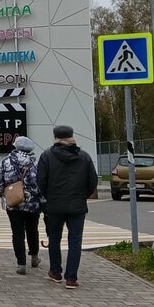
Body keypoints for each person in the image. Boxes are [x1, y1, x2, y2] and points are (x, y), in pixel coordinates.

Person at [37, 124, 99, 289]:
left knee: (54, 238)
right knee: (75, 241)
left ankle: (55, 272)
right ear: (72, 137)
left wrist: (49, 198)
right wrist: (82, 196)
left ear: (55, 137)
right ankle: (71, 278)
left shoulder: (47, 156)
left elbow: (40, 181)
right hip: (77, 206)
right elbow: (93, 181)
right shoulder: (84, 157)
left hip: (54, 206)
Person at [0, 136, 42, 275]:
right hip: (33, 204)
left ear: (15, 146)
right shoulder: (37, 163)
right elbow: (42, 183)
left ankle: (21, 264)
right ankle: (34, 257)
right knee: (33, 230)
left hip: (14, 204)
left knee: (17, 233)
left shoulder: (6, 161)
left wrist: (4, 196)